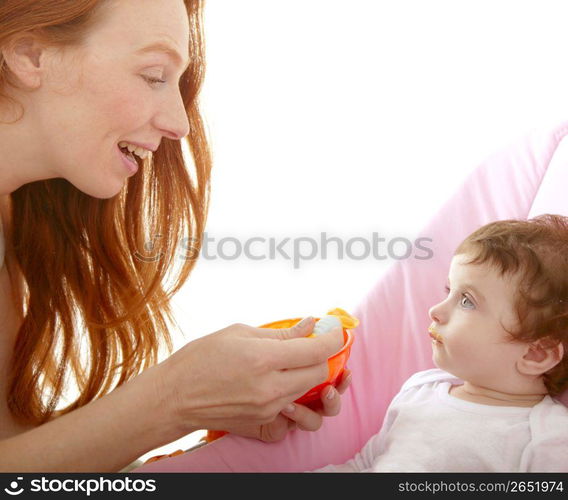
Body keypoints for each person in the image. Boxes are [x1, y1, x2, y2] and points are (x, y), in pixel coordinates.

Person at [0, 0, 350, 472]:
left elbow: (14, 449)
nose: (180, 123)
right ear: (29, 54)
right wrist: (173, 400)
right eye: (153, 75)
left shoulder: (12, 213)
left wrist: (216, 412)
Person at [315, 214, 568, 472]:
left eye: (467, 301)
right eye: (449, 292)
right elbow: (363, 465)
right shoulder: (420, 391)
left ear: (536, 354)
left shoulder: (547, 440)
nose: (435, 310)